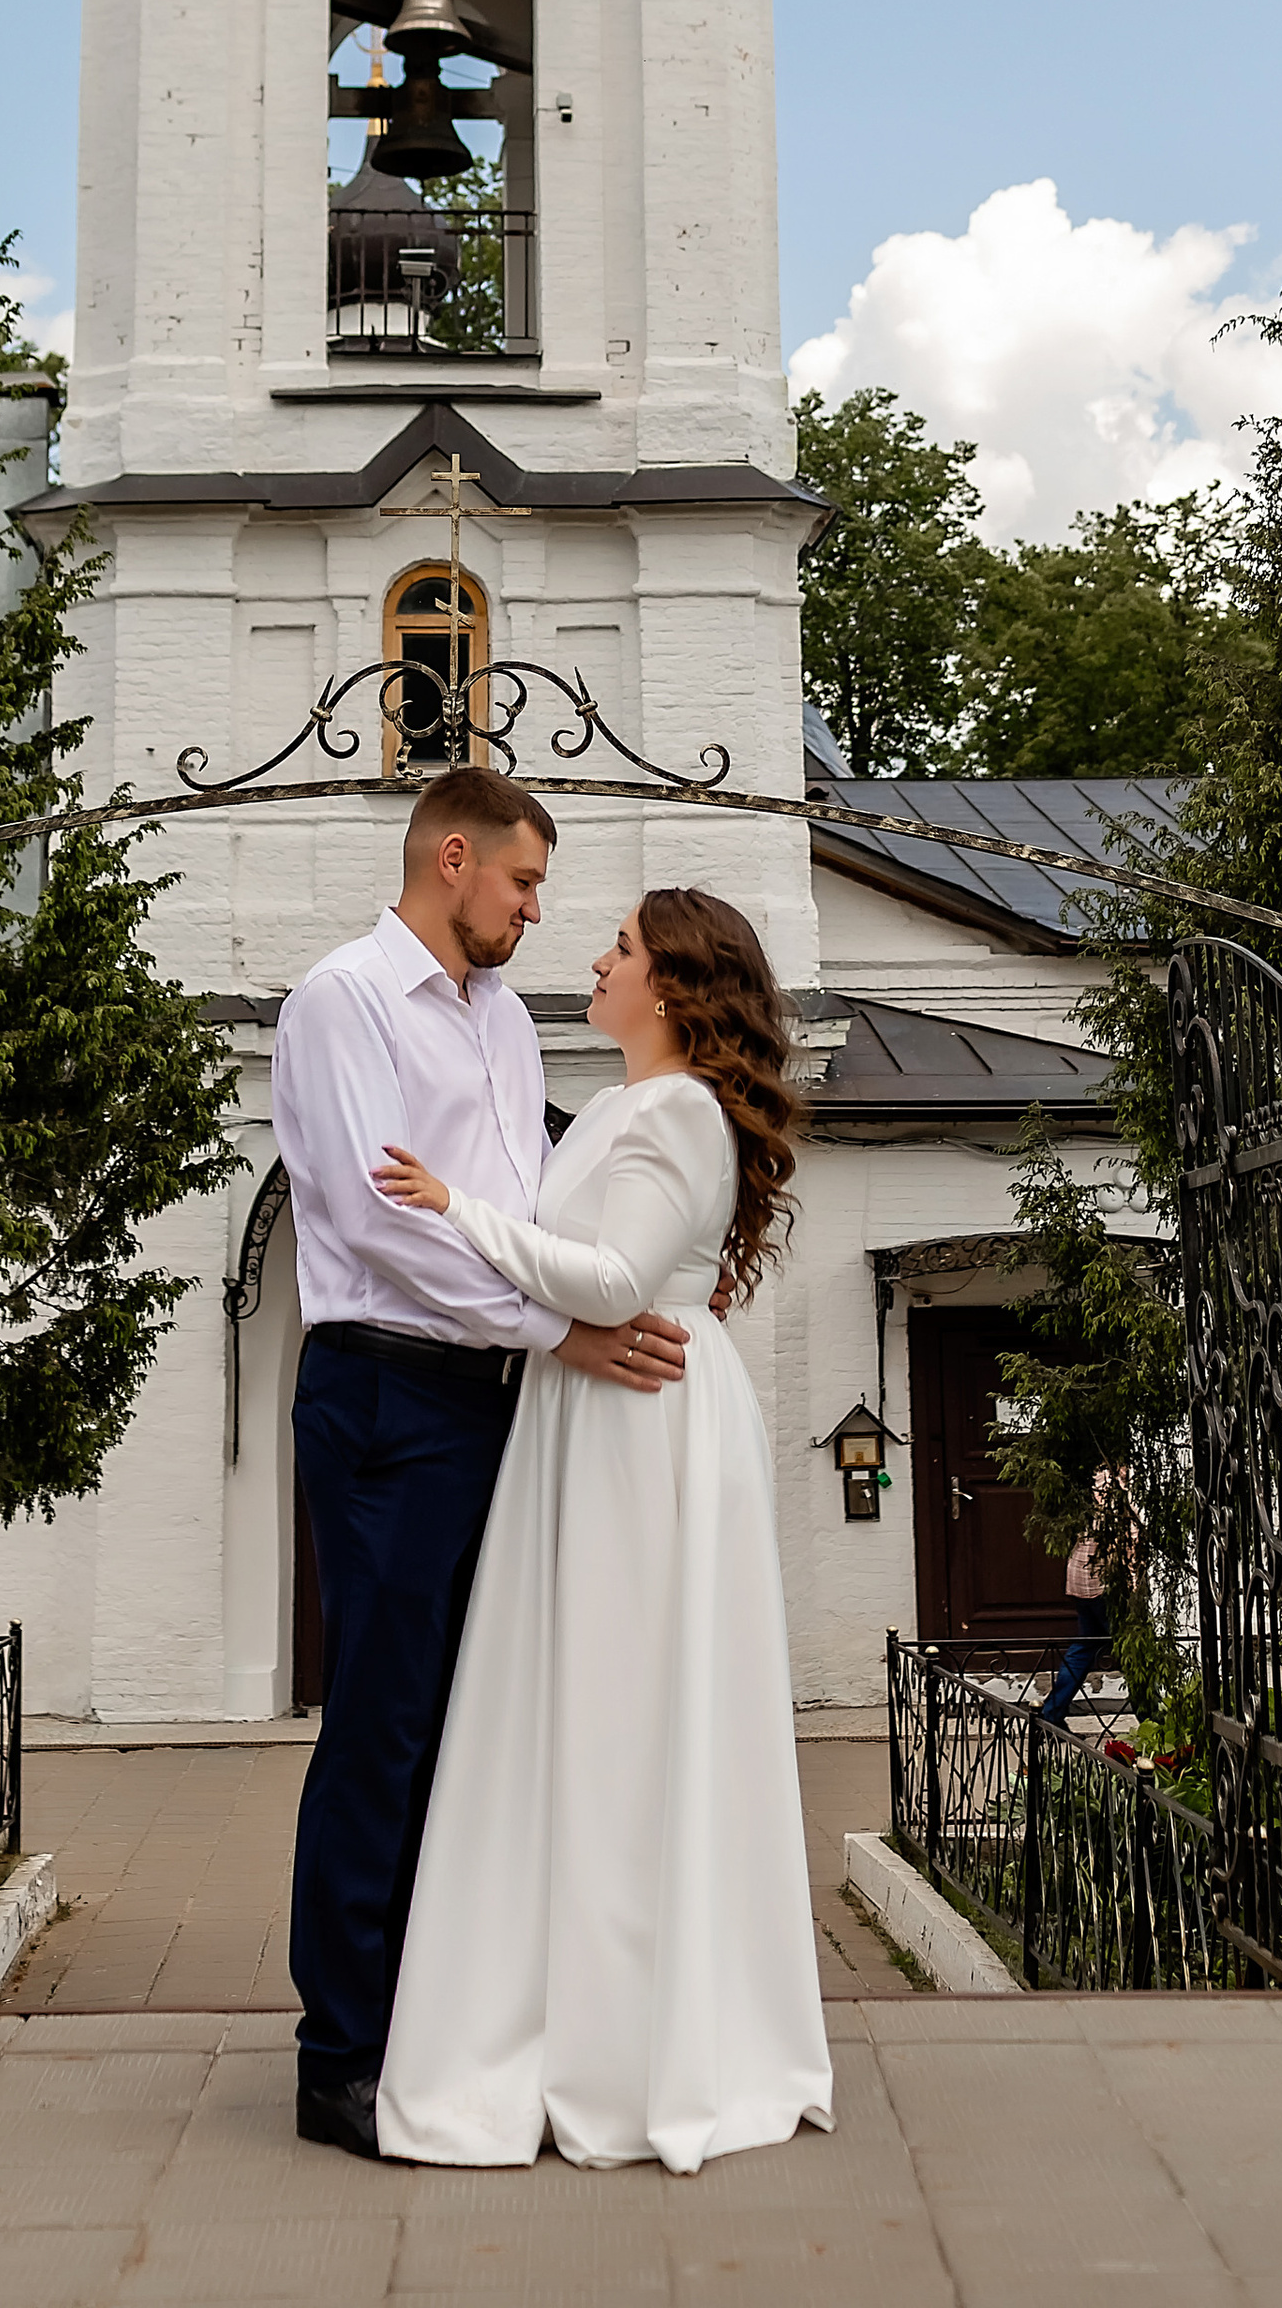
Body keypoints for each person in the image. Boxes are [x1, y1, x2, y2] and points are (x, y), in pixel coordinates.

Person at [368, 887, 835, 2175]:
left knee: (628, 1719)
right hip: (586, 1422)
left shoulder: (679, 1111)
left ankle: (640, 2041)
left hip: (646, 1436)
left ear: (673, 988)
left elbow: (619, 1284)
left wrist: (455, 1209)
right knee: (574, 1714)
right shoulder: (629, 1109)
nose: (594, 958)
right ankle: (573, 2014)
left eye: (620, 949)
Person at [271, 768, 694, 2164]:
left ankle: (450, 2028)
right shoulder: (343, 1001)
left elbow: (510, 1213)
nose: (533, 914)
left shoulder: (507, 1026)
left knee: (477, 1727)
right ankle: (342, 2056)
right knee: (383, 1728)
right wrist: (559, 1331)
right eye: (523, 887)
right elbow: (371, 1224)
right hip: (386, 1395)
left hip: (493, 1400)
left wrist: (582, 1298)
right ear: (455, 860)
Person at [1037, 1484, 1113, 1731]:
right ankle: (1152, 1720)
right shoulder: (1119, 1482)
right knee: (1134, 1654)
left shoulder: (1086, 1478)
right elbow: (1129, 1531)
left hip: (1081, 1576)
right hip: (1108, 1581)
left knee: (1085, 1645)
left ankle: (1051, 1714)